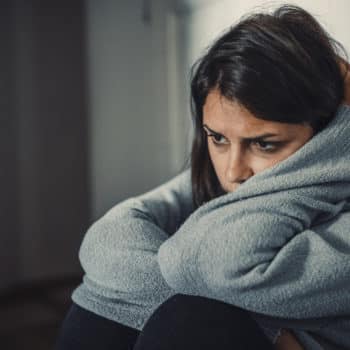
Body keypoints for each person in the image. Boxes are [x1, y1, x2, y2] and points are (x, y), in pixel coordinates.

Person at [55, 4, 350, 350]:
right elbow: (107, 239)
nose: (232, 170)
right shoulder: (219, 172)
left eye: (265, 144)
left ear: (327, 135)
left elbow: (213, 262)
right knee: (106, 300)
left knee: (189, 319)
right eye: (218, 139)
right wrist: (267, 326)